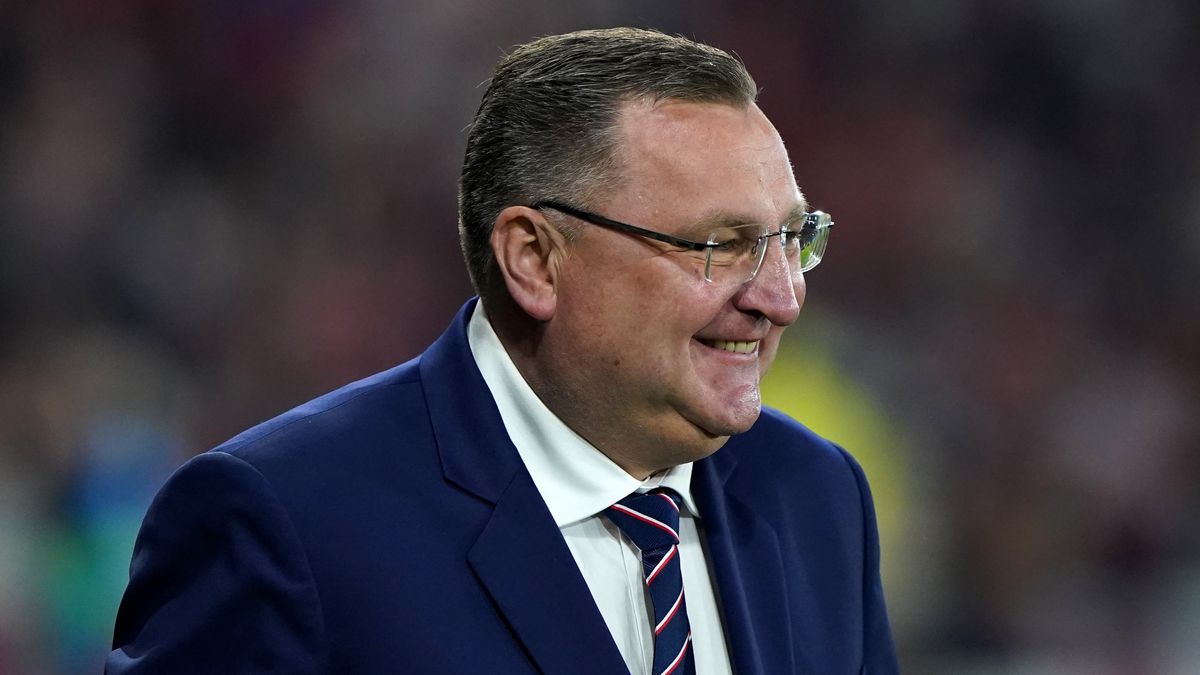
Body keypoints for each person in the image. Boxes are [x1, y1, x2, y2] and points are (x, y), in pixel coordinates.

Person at [106, 27, 898, 674]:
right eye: (721, 245)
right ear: (534, 259)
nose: (781, 296)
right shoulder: (287, 524)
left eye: (793, 239)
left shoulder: (816, 496)